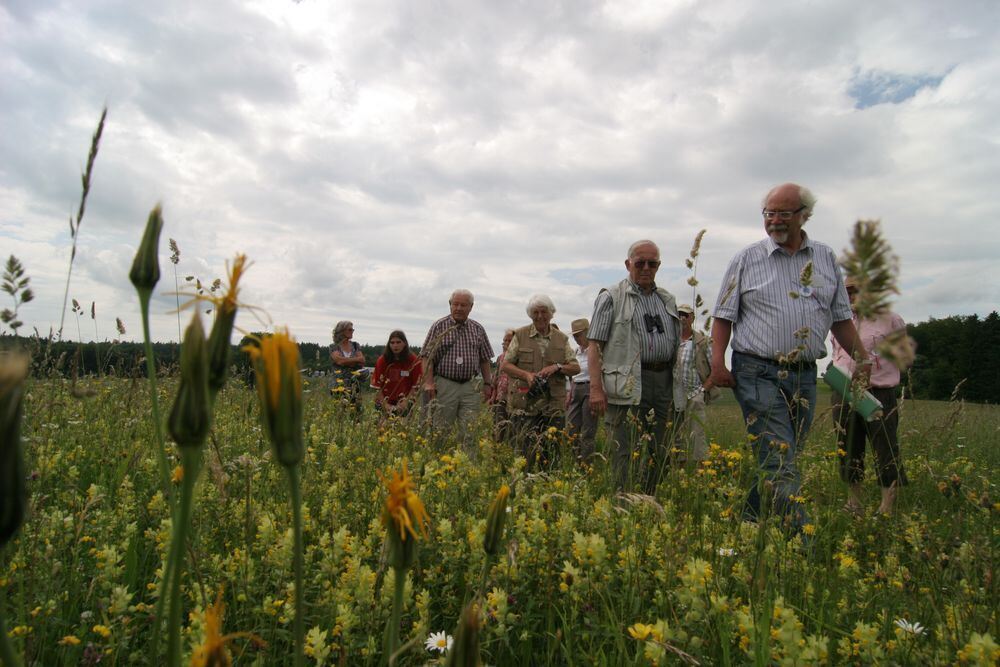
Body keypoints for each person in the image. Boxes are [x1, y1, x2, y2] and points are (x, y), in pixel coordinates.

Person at [710, 183, 868, 527]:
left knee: (781, 454)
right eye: (769, 213)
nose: (775, 221)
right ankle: (800, 539)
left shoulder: (825, 258)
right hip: (755, 370)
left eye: (784, 213)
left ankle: (749, 522)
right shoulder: (746, 259)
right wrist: (717, 362)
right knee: (780, 456)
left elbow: (841, 318)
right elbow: (723, 315)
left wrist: (864, 359)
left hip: (804, 374)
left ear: (804, 215)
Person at [588, 240, 682, 494]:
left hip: (663, 382)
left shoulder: (666, 300)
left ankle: (651, 502)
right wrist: (596, 389)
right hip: (627, 383)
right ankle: (624, 503)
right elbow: (594, 345)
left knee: (660, 448)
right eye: (640, 263)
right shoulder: (611, 296)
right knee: (625, 449)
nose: (646, 268)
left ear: (659, 266)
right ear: (628, 264)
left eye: (653, 263)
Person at [831, 277, 910, 516]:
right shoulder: (840, 322)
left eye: (856, 291)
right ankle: (854, 502)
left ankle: (887, 506)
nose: (851, 297)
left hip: (878, 392)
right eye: (847, 292)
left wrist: (872, 368)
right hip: (843, 391)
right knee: (848, 447)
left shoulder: (891, 320)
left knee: (884, 448)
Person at [501, 295, 580, 468]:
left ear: (551, 314)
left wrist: (557, 367)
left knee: (552, 453)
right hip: (525, 404)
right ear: (530, 315)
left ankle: (548, 487)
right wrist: (526, 375)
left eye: (544, 312)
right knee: (524, 452)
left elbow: (575, 367)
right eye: (535, 312)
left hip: (553, 405)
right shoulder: (520, 335)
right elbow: (505, 365)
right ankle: (524, 487)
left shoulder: (562, 338)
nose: (540, 316)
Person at [421, 289, 495, 439]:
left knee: (470, 430)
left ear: (471, 307)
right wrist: (429, 383)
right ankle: (438, 458)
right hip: (445, 384)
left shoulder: (478, 329)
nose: (459, 308)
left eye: (463, 305)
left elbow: (485, 359)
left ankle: (467, 461)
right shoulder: (439, 326)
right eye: (455, 304)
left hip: (470, 385)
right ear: (450, 305)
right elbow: (426, 357)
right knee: (440, 429)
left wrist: (488, 384)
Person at [673, 304, 720, 463]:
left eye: (686, 315)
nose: (682, 318)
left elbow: (715, 368)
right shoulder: (671, 340)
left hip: (695, 394)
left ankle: (702, 474)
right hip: (673, 396)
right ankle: (677, 472)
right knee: (675, 435)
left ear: (692, 318)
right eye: (679, 314)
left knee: (697, 435)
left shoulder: (702, 341)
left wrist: (702, 391)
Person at [565, 318, 597, 464]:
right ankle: (575, 461)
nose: (576, 338)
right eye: (575, 336)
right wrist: (569, 392)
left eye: (579, 335)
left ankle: (586, 464)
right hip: (575, 387)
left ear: (587, 332)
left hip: (589, 388)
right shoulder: (576, 352)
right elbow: (571, 374)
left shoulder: (595, 350)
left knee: (588, 430)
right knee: (572, 428)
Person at [371, 330, 423, 417]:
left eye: (398, 342)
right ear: (389, 344)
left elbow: (416, 385)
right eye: (392, 343)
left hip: (405, 401)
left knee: (402, 428)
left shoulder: (413, 360)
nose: (395, 345)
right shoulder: (382, 360)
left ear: (405, 343)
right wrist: (386, 405)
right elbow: (377, 386)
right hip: (384, 401)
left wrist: (406, 401)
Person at [330, 320, 366, 409]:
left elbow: (362, 360)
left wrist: (346, 361)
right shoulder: (334, 346)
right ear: (342, 331)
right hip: (338, 387)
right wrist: (355, 361)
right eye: (350, 330)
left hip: (354, 386)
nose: (352, 331)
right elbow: (339, 361)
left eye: (352, 329)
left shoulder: (355, 345)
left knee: (356, 415)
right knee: (340, 414)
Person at [487, 329, 515, 441]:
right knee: (498, 428)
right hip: (500, 398)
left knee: (513, 429)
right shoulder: (500, 358)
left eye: (509, 341)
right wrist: (493, 397)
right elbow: (496, 380)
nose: (506, 344)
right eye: (504, 341)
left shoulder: (520, 358)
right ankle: (496, 451)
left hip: (514, 399)